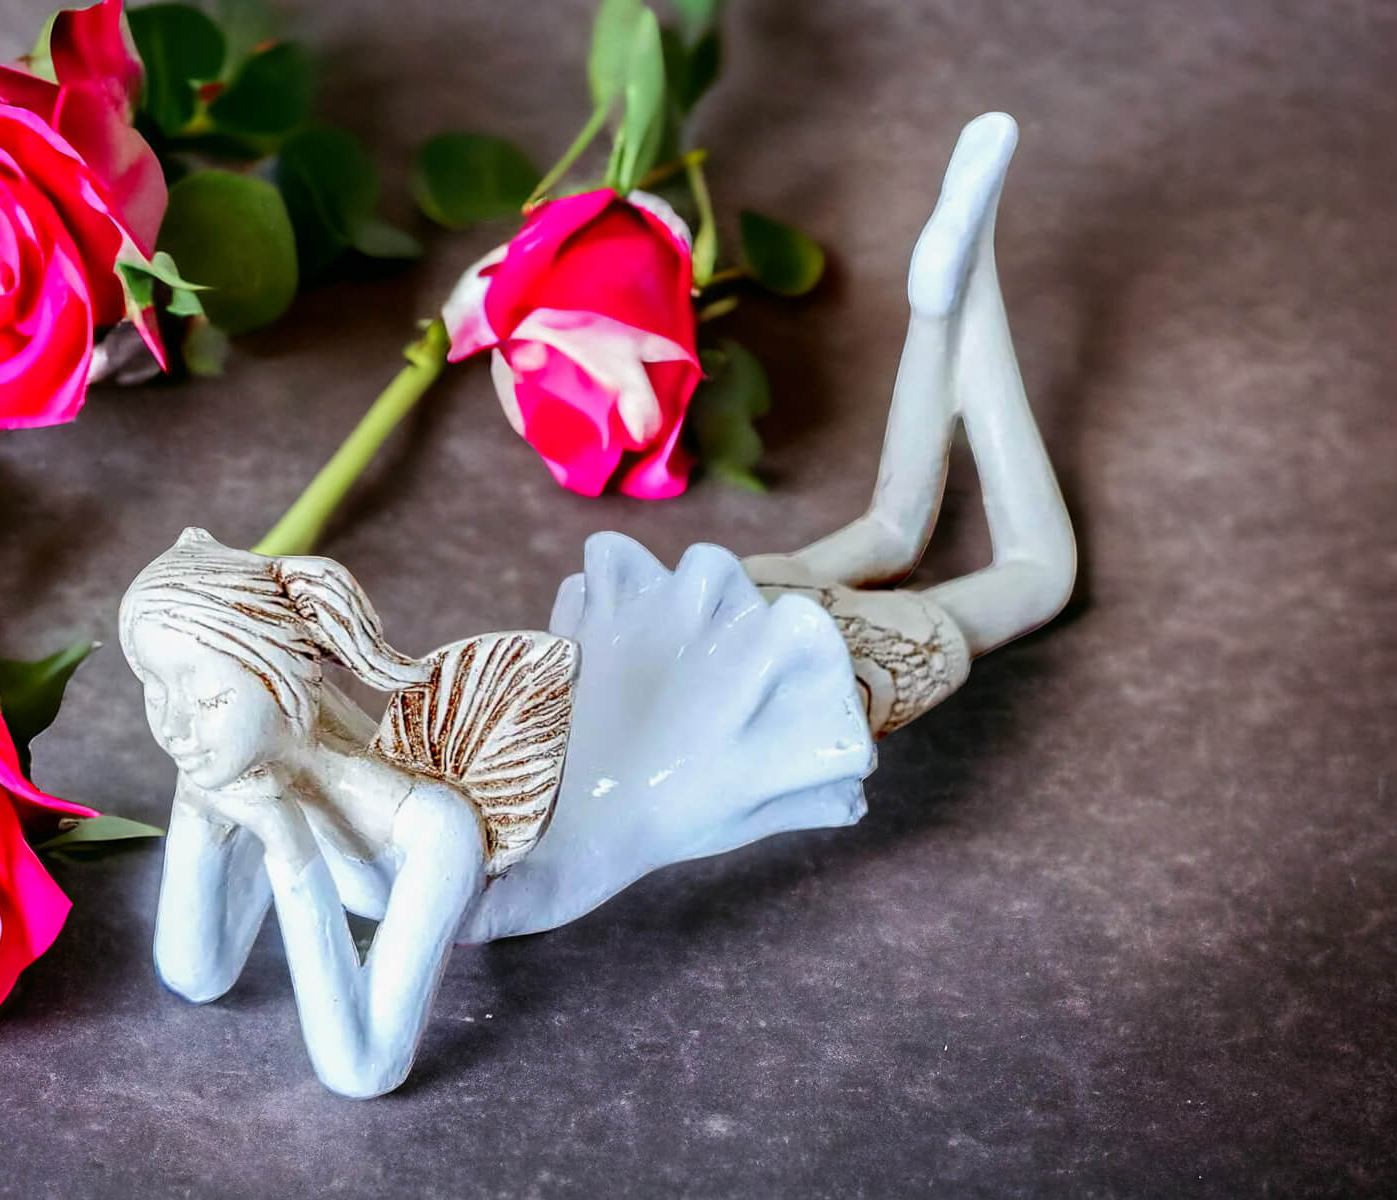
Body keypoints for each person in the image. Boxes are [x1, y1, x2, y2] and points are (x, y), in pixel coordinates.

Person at [118, 111, 1074, 1098]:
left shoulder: (427, 822)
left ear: (289, 680)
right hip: (668, 661)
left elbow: (364, 1067)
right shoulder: (255, 764)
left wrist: (283, 850)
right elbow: (195, 973)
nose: (176, 727)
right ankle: (941, 304)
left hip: (741, 706)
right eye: (159, 689)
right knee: (887, 531)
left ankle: (954, 306)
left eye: (205, 696)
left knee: (1035, 575)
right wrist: (209, 806)